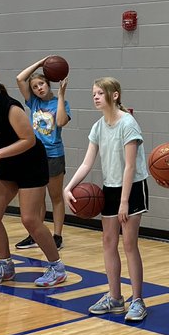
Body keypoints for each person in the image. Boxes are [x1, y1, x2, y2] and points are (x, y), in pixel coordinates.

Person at [0, 60, 67, 288]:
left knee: (30, 219)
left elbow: (29, 140)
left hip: (29, 162)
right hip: (4, 163)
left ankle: (56, 267)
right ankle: (5, 265)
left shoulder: (10, 107)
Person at [64, 77, 148, 322]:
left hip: (131, 188)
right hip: (110, 188)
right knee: (108, 242)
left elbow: (130, 166)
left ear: (115, 95)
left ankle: (138, 300)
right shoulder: (98, 126)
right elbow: (87, 163)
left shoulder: (128, 123)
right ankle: (115, 297)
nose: (96, 97)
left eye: (101, 93)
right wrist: (69, 187)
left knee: (129, 244)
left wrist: (123, 202)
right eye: (94, 94)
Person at [15, 58, 71, 253]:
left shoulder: (60, 103)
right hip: (34, 155)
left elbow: (62, 122)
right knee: (36, 199)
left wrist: (62, 95)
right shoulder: (34, 102)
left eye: (41, 84)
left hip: (54, 154)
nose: (39, 88)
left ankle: (57, 236)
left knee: (55, 197)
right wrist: (40, 64)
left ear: (48, 84)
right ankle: (35, 234)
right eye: (35, 86)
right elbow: (20, 78)